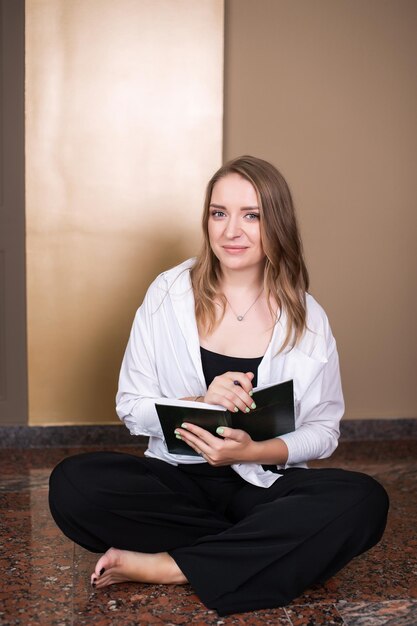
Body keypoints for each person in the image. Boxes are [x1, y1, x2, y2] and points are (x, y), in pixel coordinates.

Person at [49, 155, 389, 616]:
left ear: (277, 224)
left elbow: (324, 433)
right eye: (219, 212)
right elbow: (131, 406)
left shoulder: (308, 318)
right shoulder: (168, 294)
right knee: (74, 484)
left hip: (263, 486)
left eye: (252, 215)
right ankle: (267, 552)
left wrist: (251, 453)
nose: (232, 230)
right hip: (176, 482)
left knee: (363, 500)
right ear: (207, 219)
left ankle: (173, 565)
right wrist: (196, 401)